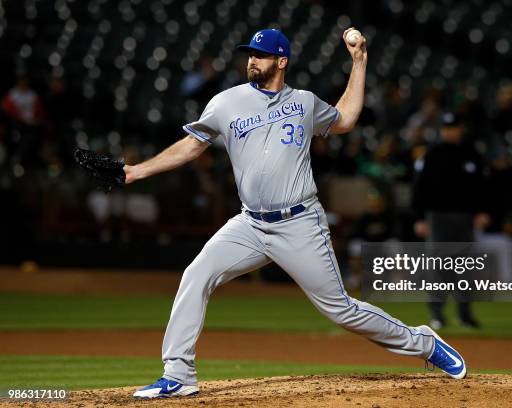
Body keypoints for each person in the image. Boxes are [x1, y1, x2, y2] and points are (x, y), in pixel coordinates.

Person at [125, 28, 466, 399]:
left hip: (300, 223)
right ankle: (178, 374)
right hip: (250, 223)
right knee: (197, 274)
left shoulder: (304, 102)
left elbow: (346, 119)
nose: (252, 60)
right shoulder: (225, 103)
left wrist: (359, 61)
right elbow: (192, 146)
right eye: (250, 54)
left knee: (341, 311)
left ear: (281, 61)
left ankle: (425, 344)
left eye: (261, 55)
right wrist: (134, 171)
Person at [412, 112, 490, 330]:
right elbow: (419, 188)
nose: (450, 131)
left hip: (465, 217)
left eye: (453, 127)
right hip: (438, 217)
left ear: (460, 129)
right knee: (439, 266)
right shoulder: (432, 154)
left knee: (465, 267)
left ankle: (465, 315)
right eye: (446, 128)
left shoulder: (471, 153)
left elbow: (481, 186)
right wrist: (419, 217)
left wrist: (482, 211)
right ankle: (437, 314)